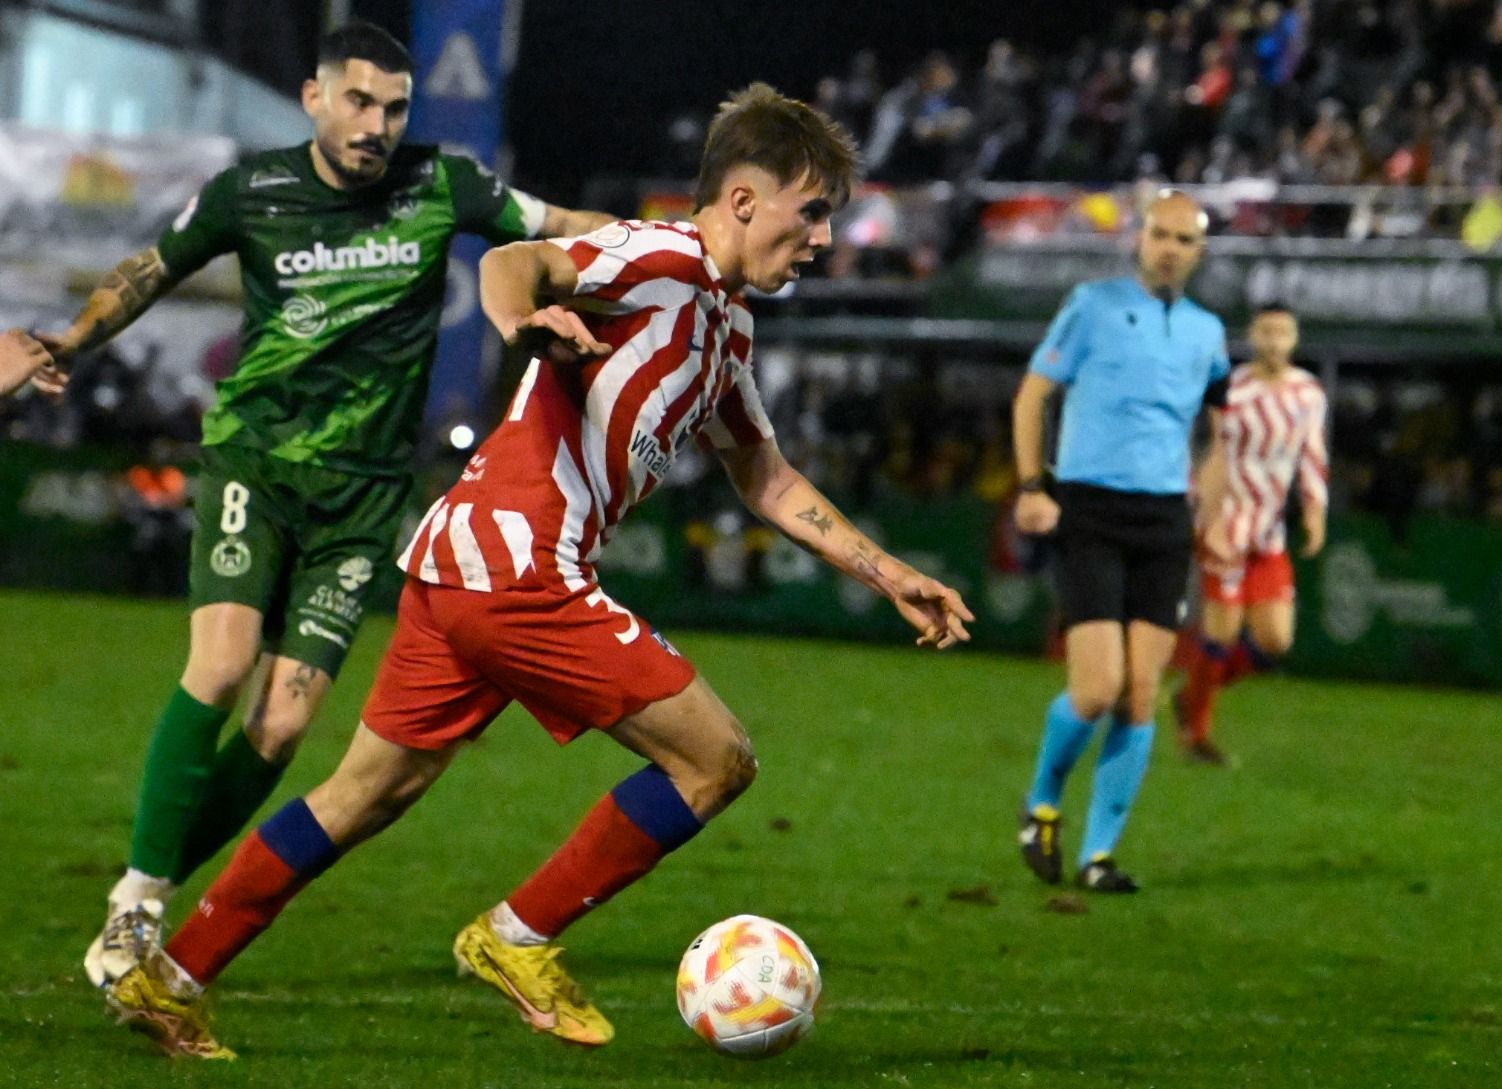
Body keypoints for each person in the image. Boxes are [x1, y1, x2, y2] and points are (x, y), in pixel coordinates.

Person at [105, 82, 973, 1060]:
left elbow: (765, 476)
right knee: (713, 759)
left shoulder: (726, 328)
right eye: (810, 211)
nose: (821, 238)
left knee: (364, 794)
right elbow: (519, 262)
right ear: (740, 199)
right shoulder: (659, 256)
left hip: (465, 563)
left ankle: (170, 977)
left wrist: (885, 568)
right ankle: (516, 936)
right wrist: (527, 323)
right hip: (517, 564)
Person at [39, 21, 616, 990]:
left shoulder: (441, 184)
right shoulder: (251, 191)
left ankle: (153, 881)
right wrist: (71, 339)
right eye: (358, 102)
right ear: (315, 98)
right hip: (257, 468)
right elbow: (151, 269)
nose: (377, 125)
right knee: (220, 666)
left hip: (362, 500)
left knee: (278, 730)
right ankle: (134, 904)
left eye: (394, 107)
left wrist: (690, 248)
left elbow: (562, 225)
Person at [1013, 190, 1228, 893]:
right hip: (1091, 510)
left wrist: (1214, 509)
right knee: (1098, 687)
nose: (1169, 248)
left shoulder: (1207, 331)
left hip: (1165, 520)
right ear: (1139, 238)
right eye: (1160, 234)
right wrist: (1031, 485)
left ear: (1198, 253)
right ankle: (1041, 801)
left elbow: (1222, 432)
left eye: (1184, 240)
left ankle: (1097, 856)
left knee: (1141, 695)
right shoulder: (1093, 305)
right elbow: (1033, 395)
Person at [1172, 303, 1327, 764]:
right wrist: (1203, 511)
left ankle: (1191, 695)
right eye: (1266, 331)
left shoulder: (1308, 393)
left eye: (1283, 332)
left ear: (1294, 338)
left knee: (1275, 642)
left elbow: (1313, 454)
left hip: (1269, 535)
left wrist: (1315, 511)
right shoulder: (1231, 388)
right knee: (1221, 634)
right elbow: (1210, 449)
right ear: (1253, 336)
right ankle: (1196, 734)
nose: (1275, 341)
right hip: (1224, 528)